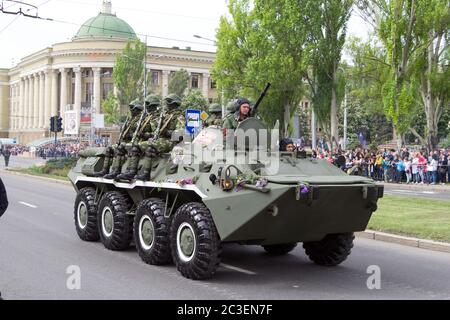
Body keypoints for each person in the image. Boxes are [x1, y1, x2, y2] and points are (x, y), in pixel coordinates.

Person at [135, 94, 185, 181]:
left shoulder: (179, 117)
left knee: (151, 147)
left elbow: (180, 134)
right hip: (161, 140)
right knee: (137, 147)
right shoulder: (164, 116)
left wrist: (167, 132)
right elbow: (156, 130)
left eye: (168, 103)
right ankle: (132, 171)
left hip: (170, 141)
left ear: (173, 104)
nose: (166, 105)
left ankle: (146, 174)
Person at [101, 100, 144, 179]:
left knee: (121, 148)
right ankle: (105, 170)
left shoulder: (141, 119)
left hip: (135, 141)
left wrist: (130, 135)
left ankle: (123, 171)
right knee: (109, 149)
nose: (130, 110)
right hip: (126, 141)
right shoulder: (130, 119)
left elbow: (141, 133)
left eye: (132, 108)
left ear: (137, 109)